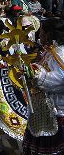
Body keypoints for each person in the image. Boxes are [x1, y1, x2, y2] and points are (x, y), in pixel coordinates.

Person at [23, 19, 64, 154]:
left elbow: (60, 79)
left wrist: (36, 74)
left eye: (41, 32)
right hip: (46, 108)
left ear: (49, 34)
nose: (39, 35)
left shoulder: (60, 53)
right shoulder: (51, 51)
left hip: (57, 110)